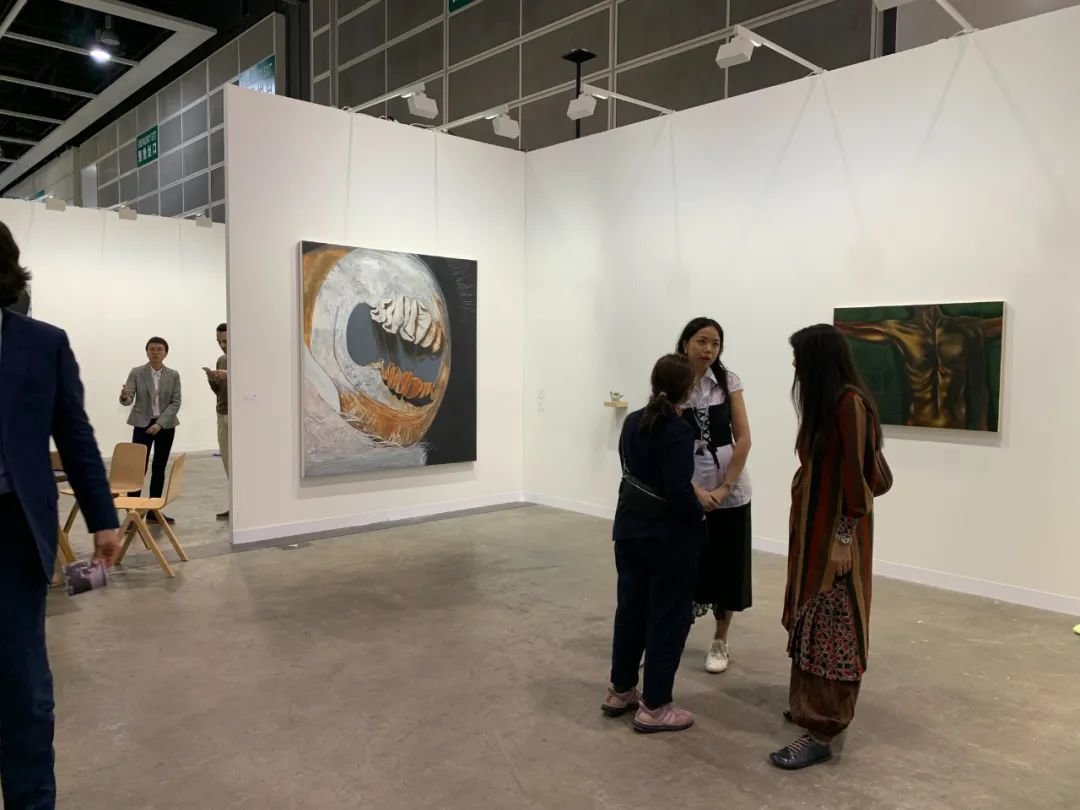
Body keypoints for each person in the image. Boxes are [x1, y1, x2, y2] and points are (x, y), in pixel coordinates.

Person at [0, 220, 120, 809]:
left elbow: (74, 435)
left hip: (11, 533)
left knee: (22, 685)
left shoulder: (42, 343)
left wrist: (102, 517)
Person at [771, 324, 888, 770]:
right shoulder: (827, 404)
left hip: (836, 539)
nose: (795, 364)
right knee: (811, 621)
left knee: (834, 627)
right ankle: (808, 705)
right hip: (813, 536)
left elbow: (859, 481)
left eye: (799, 356)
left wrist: (842, 539)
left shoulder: (849, 404)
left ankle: (823, 728)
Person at [603, 353, 704, 733]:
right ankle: (656, 706)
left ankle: (621, 690)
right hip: (668, 540)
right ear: (688, 388)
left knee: (630, 612)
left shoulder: (632, 421)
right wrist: (699, 514)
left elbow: (633, 474)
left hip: (629, 531)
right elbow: (678, 492)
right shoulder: (678, 431)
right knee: (667, 619)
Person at [676, 317, 753, 674]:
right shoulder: (673, 382)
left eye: (715, 343)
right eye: (702, 341)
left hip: (729, 489)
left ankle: (720, 639)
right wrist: (693, 490)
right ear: (686, 343)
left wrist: (723, 488)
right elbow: (664, 443)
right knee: (682, 565)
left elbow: (744, 439)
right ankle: (670, 634)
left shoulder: (728, 381)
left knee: (727, 565)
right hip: (685, 487)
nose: (708, 349)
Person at [119, 337, 181, 523]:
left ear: (165, 353)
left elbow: (176, 402)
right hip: (142, 424)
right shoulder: (137, 372)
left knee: (159, 467)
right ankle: (133, 513)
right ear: (147, 352)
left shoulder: (173, 375)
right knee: (138, 468)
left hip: (165, 426)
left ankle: (154, 512)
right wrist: (124, 397)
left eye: (159, 349)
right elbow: (128, 399)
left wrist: (159, 424)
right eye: (152, 349)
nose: (155, 352)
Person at [205, 322, 229, 520]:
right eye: (219, 341)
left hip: (241, 417)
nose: (222, 345)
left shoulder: (247, 357)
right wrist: (213, 380)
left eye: (226, 341)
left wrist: (228, 375)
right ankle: (236, 506)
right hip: (222, 413)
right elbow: (220, 392)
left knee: (243, 465)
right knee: (229, 464)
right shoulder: (221, 360)